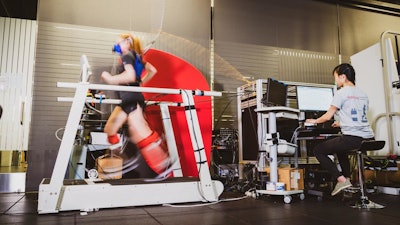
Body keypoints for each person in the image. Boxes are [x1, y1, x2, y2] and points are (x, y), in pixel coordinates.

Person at [101, 33, 171, 175]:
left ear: (127, 43)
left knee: (139, 132)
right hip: (128, 99)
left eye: (119, 43)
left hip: (131, 99)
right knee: (110, 129)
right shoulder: (136, 57)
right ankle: (119, 155)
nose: (116, 46)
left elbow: (130, 76)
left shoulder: (127, 55)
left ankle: (164, 165)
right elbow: (152, 70)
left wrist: (110, 79)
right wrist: (140, 83)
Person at [305, 63, 374, 196]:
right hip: (369, 137)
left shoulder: (341, 93)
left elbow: (327, 116)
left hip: (353, 139)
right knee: (339, 147)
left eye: (336, 77)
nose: (335, 81)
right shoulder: (363, 93)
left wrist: (314, 121)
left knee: (318, 150)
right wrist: (342, 123)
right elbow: (358, 116)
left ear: (343, 77)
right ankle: (347, 179)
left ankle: (341, 179)